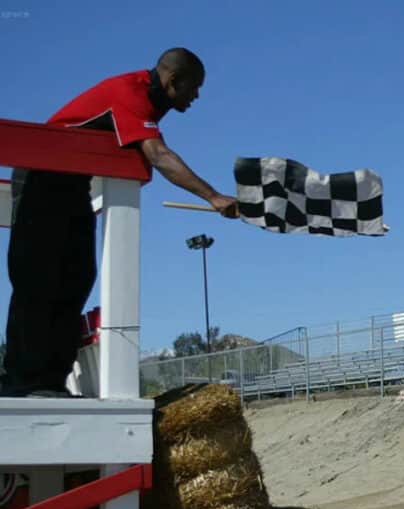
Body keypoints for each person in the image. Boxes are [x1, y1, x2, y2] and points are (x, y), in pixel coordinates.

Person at [2, 48, 238, 398]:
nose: (197, 96)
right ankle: (20, 381)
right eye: (194, 87)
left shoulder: (148, 101)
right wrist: (213, 196)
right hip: (42, 179)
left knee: (77, 276)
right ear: (172, 80)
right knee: (39, 280)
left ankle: (50, 382)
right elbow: (159, 155)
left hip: (73, 184)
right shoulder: (131, 93)